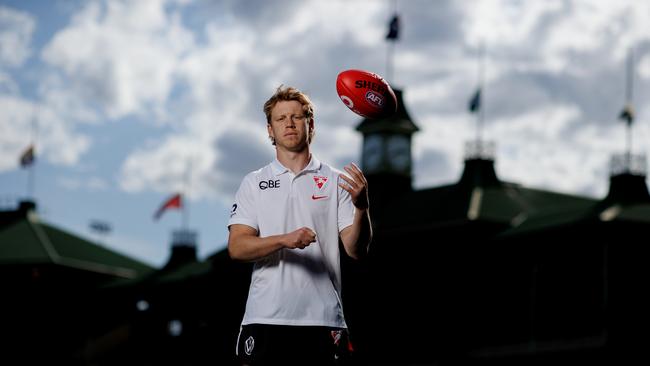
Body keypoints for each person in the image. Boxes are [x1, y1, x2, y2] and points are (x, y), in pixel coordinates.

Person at [228, 85, 372, 365]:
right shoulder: (253, 182)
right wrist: (284, 239)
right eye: (280, 119)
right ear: (270, 130)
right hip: (264, 319)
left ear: (311, 124)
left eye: (297, 116)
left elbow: (356, 250)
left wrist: (362, 207)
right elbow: (237, 247)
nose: (289, 124)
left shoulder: (336, 180)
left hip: (323, 320)